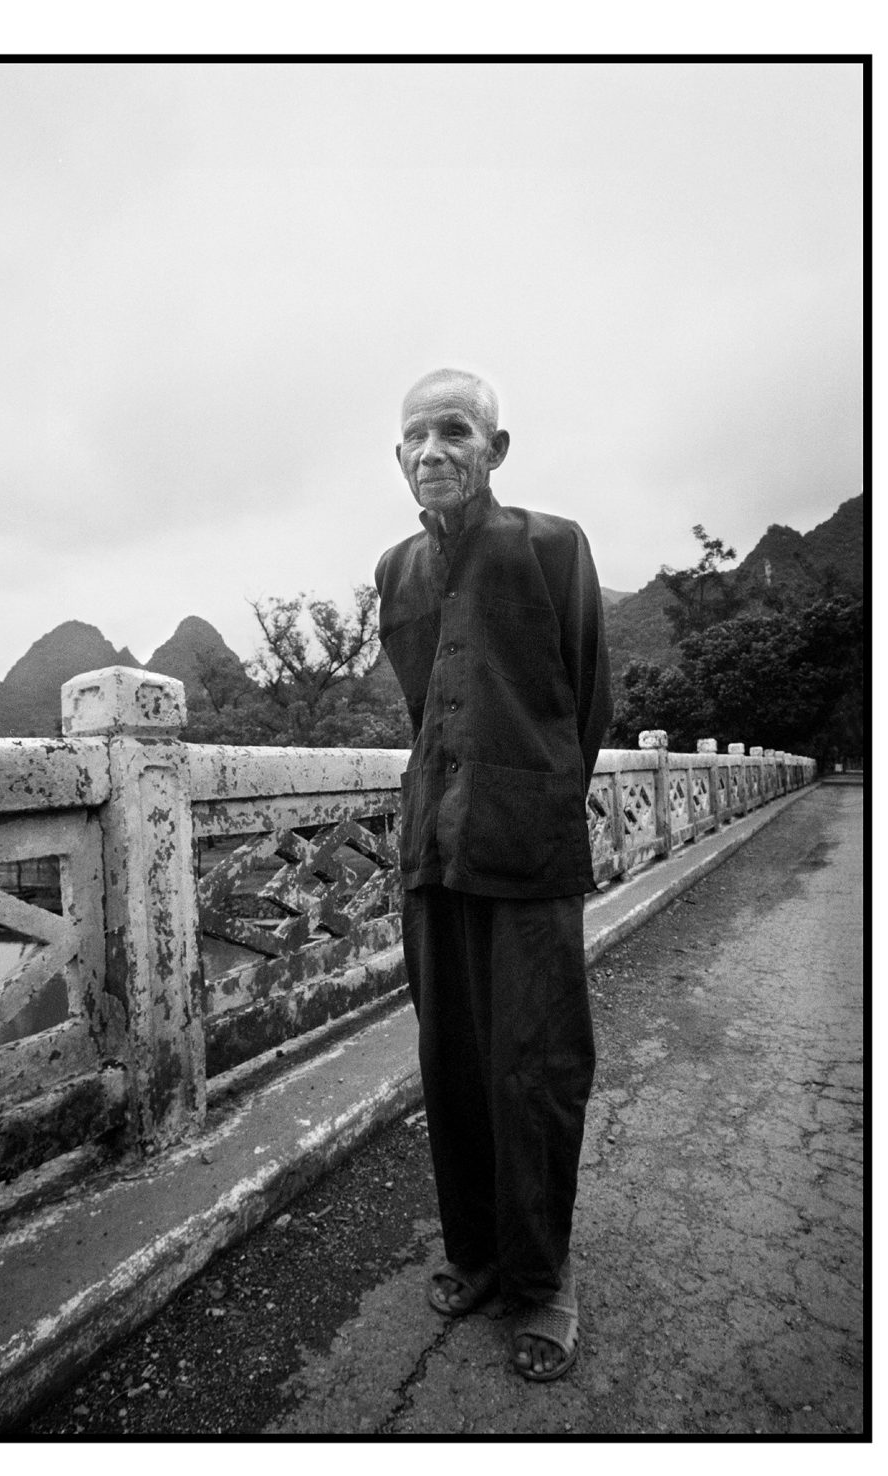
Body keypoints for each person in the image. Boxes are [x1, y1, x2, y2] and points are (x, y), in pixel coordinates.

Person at [374, 368, 612, 1382]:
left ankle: (543, 1275)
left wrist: (529, 794)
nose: (433, 451)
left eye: (455, 431)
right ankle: (476, 1253)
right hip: (433, 847)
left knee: (539, 1067)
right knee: (455, 1063)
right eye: (415, 438)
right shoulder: (393, 570)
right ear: (398, 459)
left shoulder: (552, 546)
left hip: (528, 845)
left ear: (495, 448)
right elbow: (421, 706)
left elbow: (589, 699)